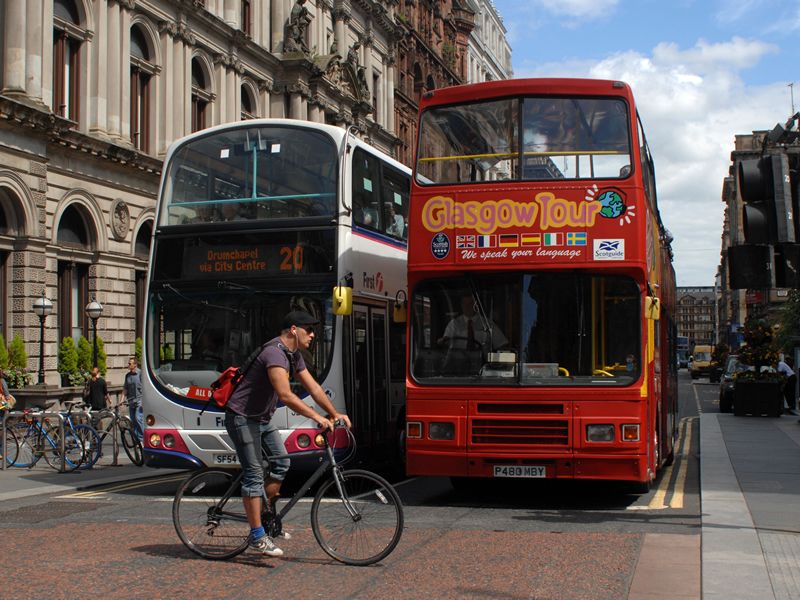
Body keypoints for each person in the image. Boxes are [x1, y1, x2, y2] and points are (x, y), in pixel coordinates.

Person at [224, 310, 352, 558]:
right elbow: (285, 395)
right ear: (294, 329)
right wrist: (316, 417)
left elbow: (313, 387)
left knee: (282, 462)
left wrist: (334, 413)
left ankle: (265, 516)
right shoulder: (274, 353)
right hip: (242, 418)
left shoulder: (293, 355)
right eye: (309, 330)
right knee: (253, 473)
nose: (313, 335)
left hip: (261, 418)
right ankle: (257, 535)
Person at [438, 293, 508, 352]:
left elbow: (502, 344)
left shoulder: (487, 323)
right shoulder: (454, 324)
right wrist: (443, 341)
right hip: (459, 364)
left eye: (470, 303)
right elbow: (445, 342)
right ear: (461, 305)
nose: (467, 306)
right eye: (464, 304)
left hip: (482, 364)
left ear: (476, 306)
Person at [120, 357, 143, 441]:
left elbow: (145, 387)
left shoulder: (141, 374)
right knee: (133, 421)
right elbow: (125, 388)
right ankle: (137, 439)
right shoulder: (128, 375)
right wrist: (121, 400)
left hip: (140, 400)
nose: (128, 365)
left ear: (135, 365)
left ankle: (141, 439)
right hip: (131, 401)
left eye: (130, 363)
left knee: (138, 418)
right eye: (128, 363)